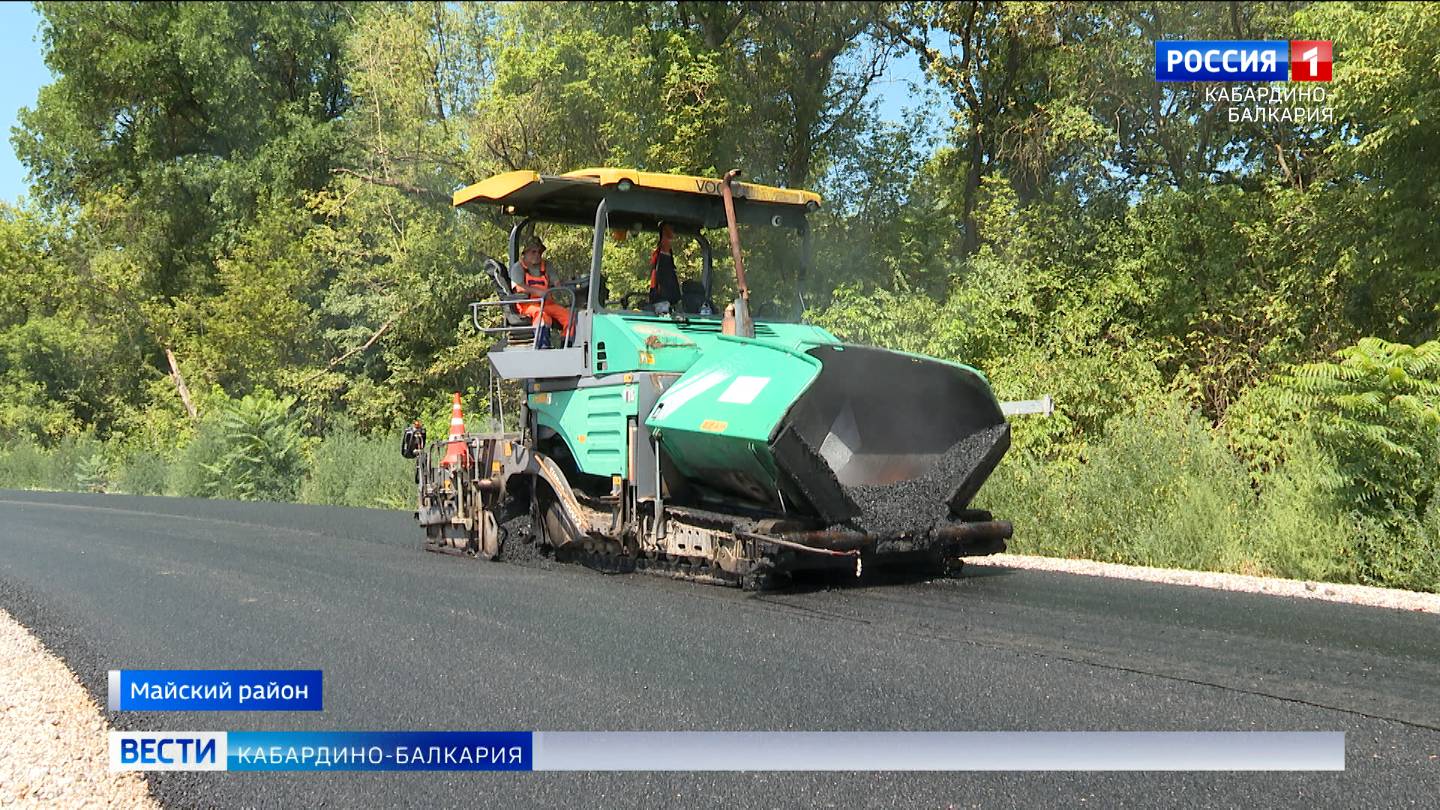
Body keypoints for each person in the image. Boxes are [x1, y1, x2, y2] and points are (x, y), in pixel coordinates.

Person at [509, 235, 572, 341]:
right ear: (525, 253)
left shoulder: (547, 265)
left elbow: (556, 283)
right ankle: (542, 346)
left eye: (539, 252)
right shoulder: (518, 268)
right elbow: (519, 288)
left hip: (548, 303)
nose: (537, 255)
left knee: (569, 317)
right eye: (533, 252)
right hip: (528, 305)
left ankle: (568, 345)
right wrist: (538, 292)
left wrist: (564, 287)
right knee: (542, 316)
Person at [647, 223, 682, 314]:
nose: (672, 235)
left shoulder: (667, 256)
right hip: (661, 303)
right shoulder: (661, 255)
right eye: (668, 232)